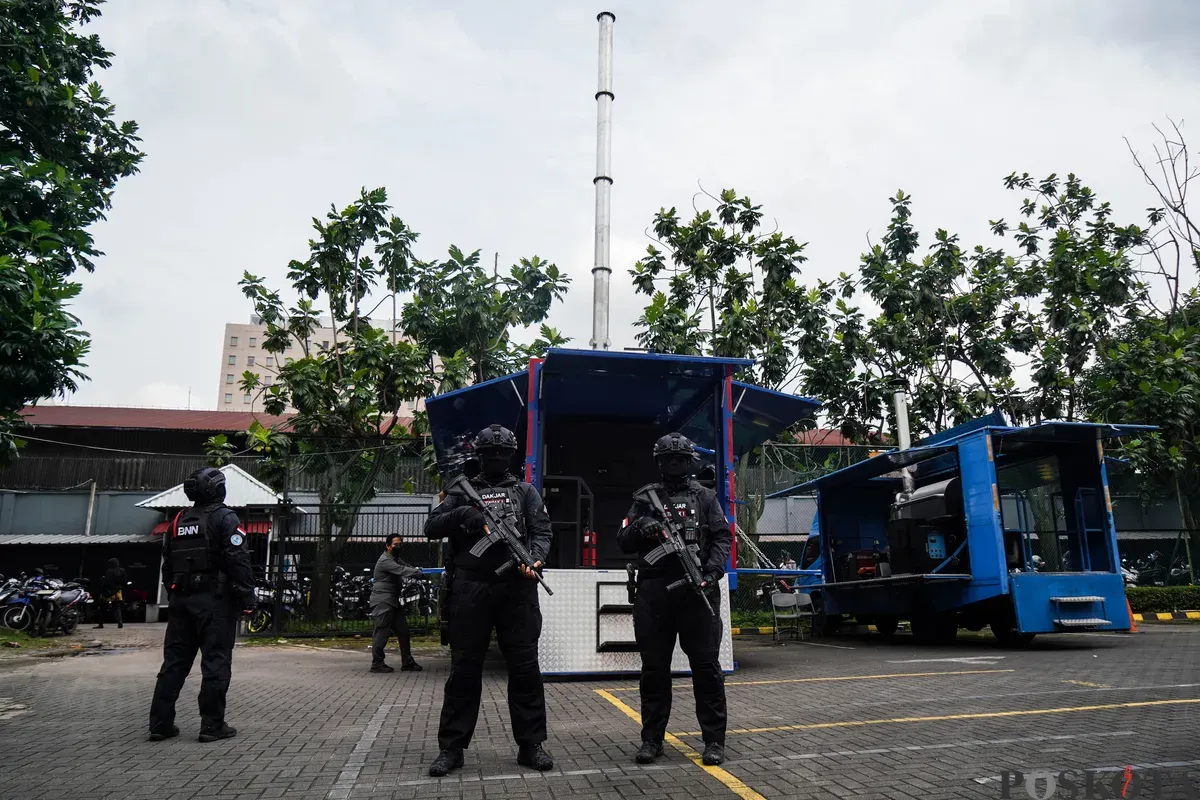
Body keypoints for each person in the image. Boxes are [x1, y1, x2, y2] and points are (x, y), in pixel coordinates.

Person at [423, 424, 554, 777]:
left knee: (525, 669)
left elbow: (542, 531)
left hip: (517, 589)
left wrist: (535, 559)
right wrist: (463, 515)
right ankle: (452, 748)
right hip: (471, 588)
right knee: (464, 670)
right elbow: (431, 527)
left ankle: (531, 745)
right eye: (489, 453)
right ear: (478, 457)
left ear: (511, 456)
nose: (496, 458)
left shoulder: (526, 492)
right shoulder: (461, 491)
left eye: (501, 453)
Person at [617, 432, 732, 767]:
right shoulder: (644, 500)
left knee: (707, 669)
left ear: (688, 462)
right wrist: (642, 526)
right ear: (659, 462)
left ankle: (714, 741)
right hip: (654, 593)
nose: (674, 464)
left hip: (698, 591)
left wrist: (712, 572)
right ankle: (652, 740)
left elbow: (722, 538)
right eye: (668, 459)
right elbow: (622, 540)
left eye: (679, 459)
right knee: (654, 670)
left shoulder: (706, 497)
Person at [148, 467, 255, 743]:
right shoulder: (225, 518)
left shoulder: (178, 520)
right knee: (215, 662)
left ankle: (160, 724)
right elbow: (238, 559)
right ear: (217, 490)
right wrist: (247, 596)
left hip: (180, 601)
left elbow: (167, 564)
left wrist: (174, 593)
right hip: (215, 602)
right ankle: (212, 726)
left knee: (174, 663)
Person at [369, 533, 424, 673]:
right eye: (395, 544)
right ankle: (377, 664)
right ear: (388, 546)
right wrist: (417, 573)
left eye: (400, 544)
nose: (398, 546)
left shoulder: (395, 559)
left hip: (392, 601)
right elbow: (402, 570)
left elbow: (407, 567)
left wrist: (417, 570)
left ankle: (408, 662)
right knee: (381, 632)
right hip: (383, 600)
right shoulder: (385, 561)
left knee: (403, 631)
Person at [94, 557, 127, 629]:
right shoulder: (122, 571)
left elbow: (105, 581)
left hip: (108, 592)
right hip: (118, 592)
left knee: (102, 607)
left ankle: (101, 624)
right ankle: (120, 622)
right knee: (117, 607)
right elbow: (125, 581)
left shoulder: (108, 571)